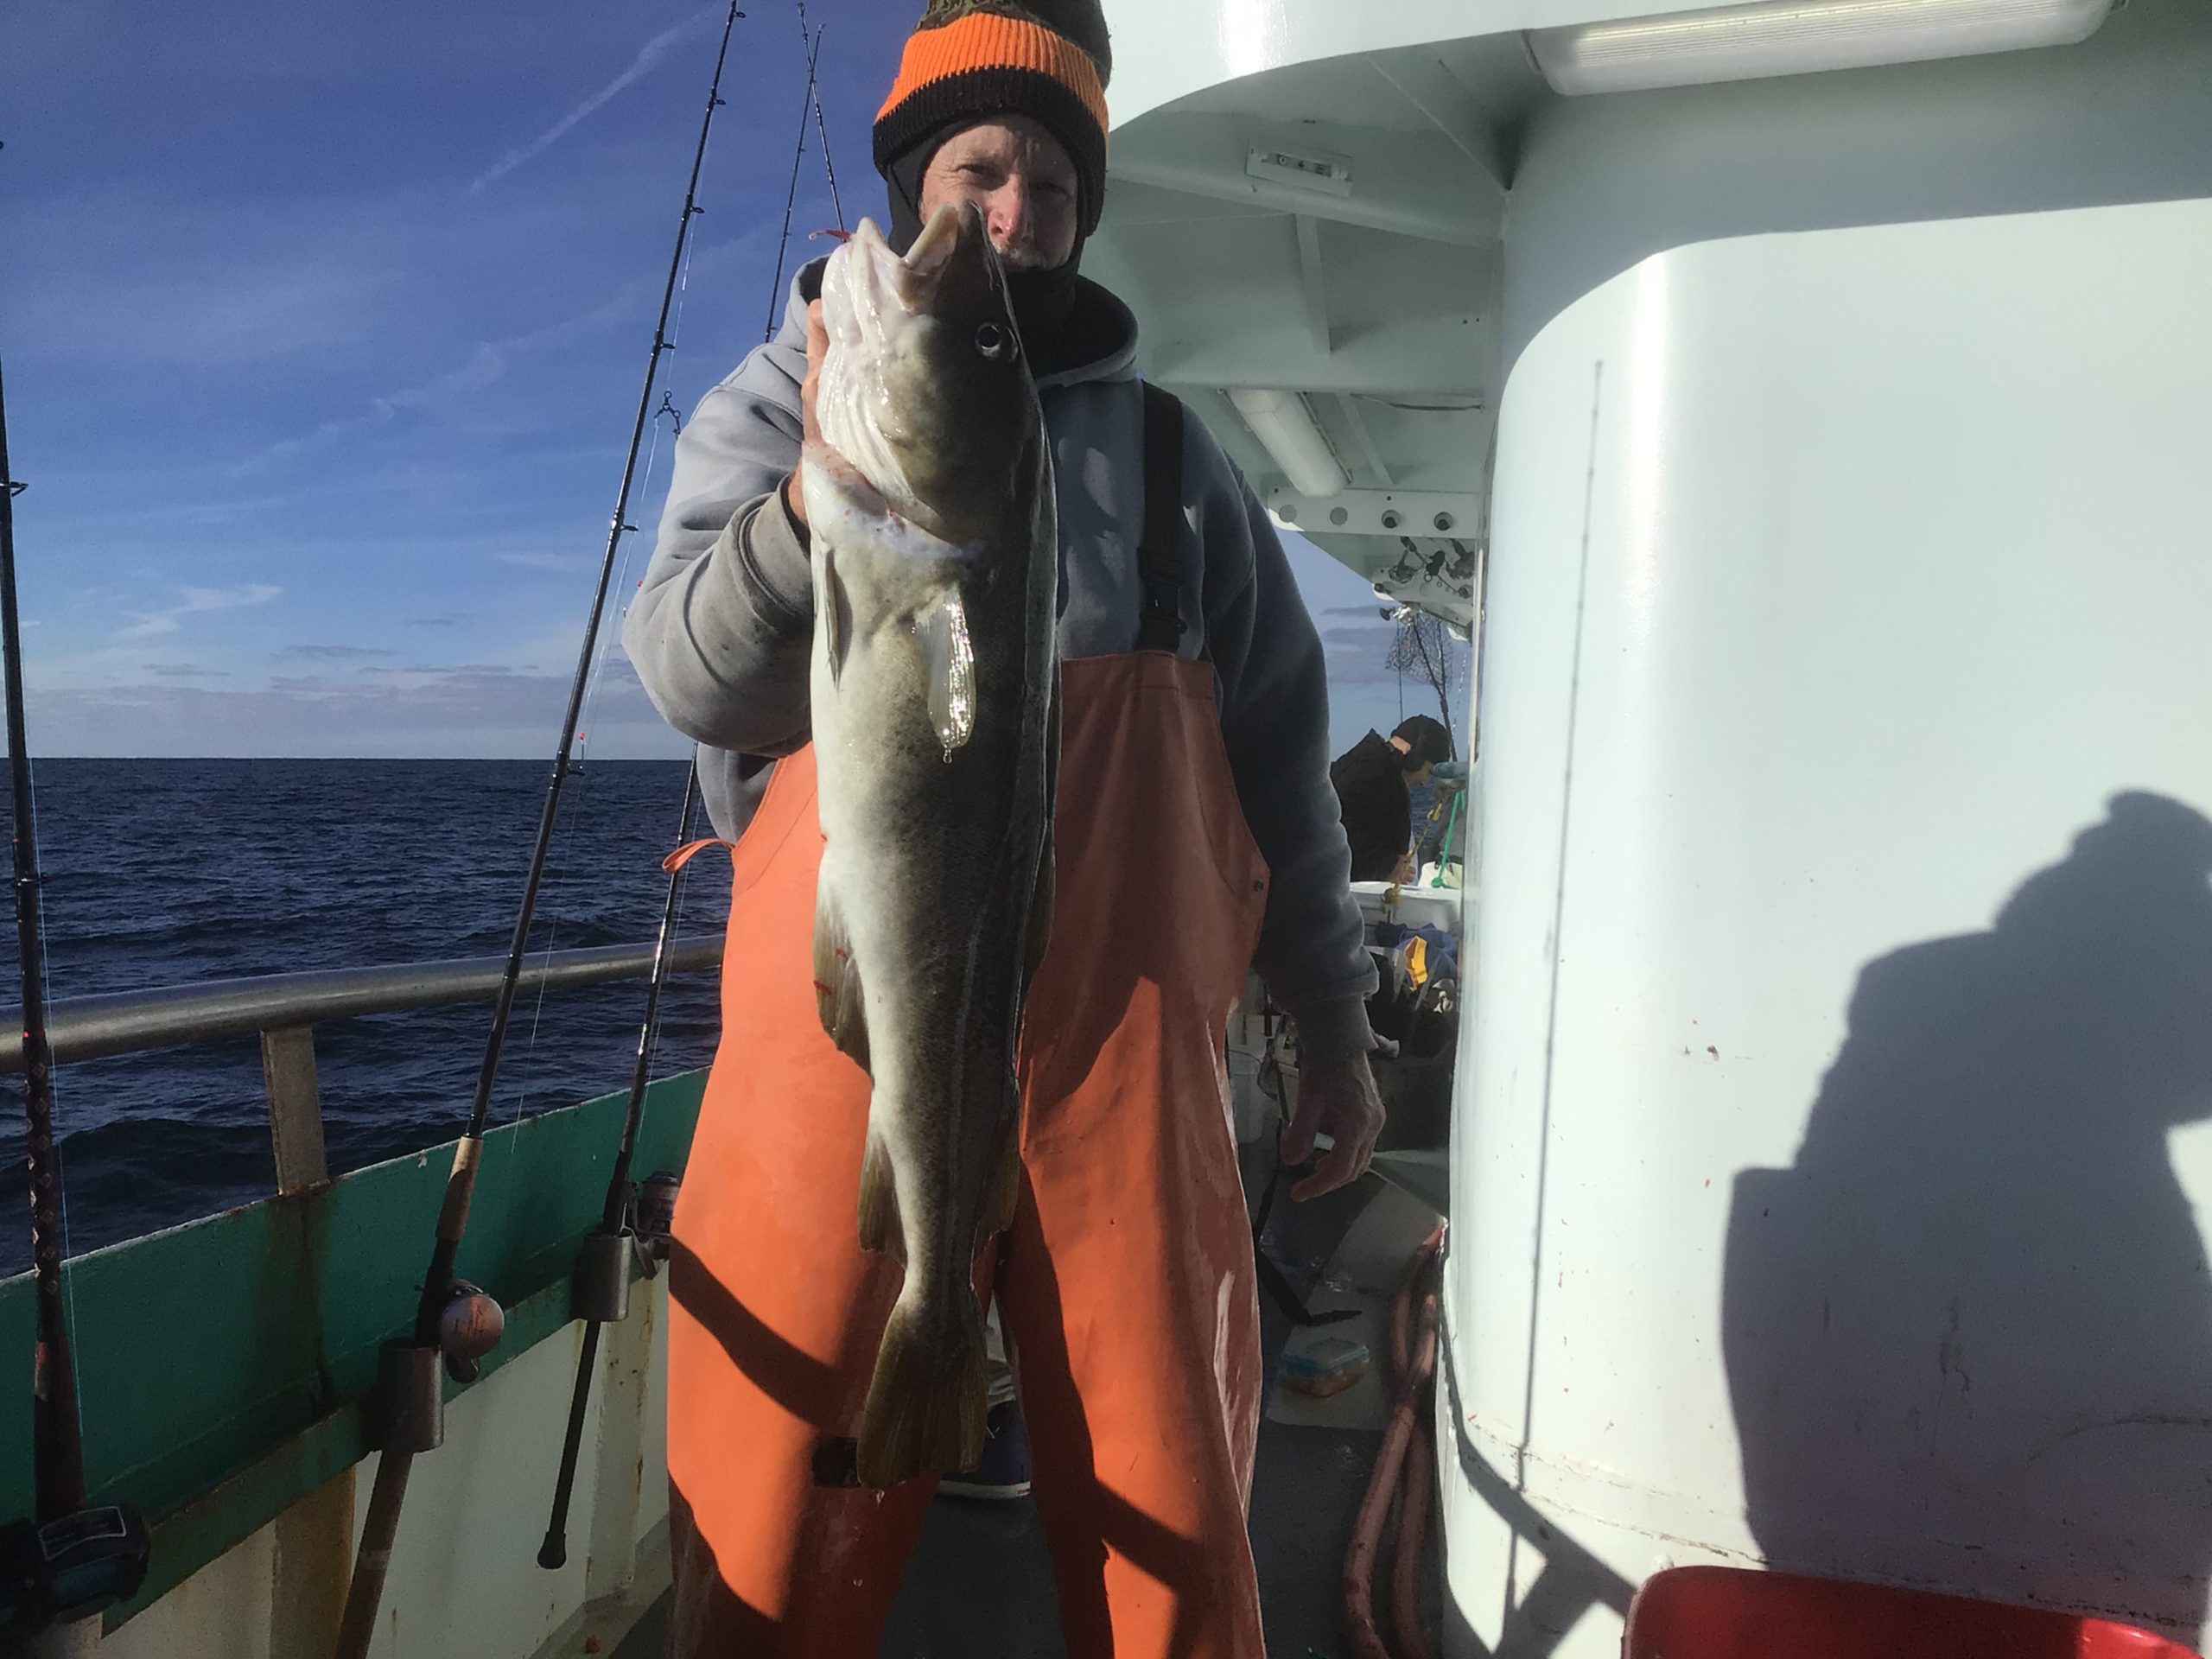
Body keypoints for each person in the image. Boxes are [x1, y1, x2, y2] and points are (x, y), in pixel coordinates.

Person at [621, 2, 1383, 1653]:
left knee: (1174, 1521)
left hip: (1133, 1076)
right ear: (915, 183)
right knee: (769, 1524)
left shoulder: (1179, 465)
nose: (1013, 216)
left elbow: (1281, 769)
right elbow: (687, 671)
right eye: (978, 172)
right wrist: (815, 508)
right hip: (840, 1058)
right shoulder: (781, 407)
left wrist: (1333, 1023)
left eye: (1052, 183)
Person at [1330, 714, 1454, 884]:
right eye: (1428, 771)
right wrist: (1385, 866)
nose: (1425, 782)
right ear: (1414, 757)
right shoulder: (1369, 771)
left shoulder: (1379, 769)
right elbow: (1334, 823)